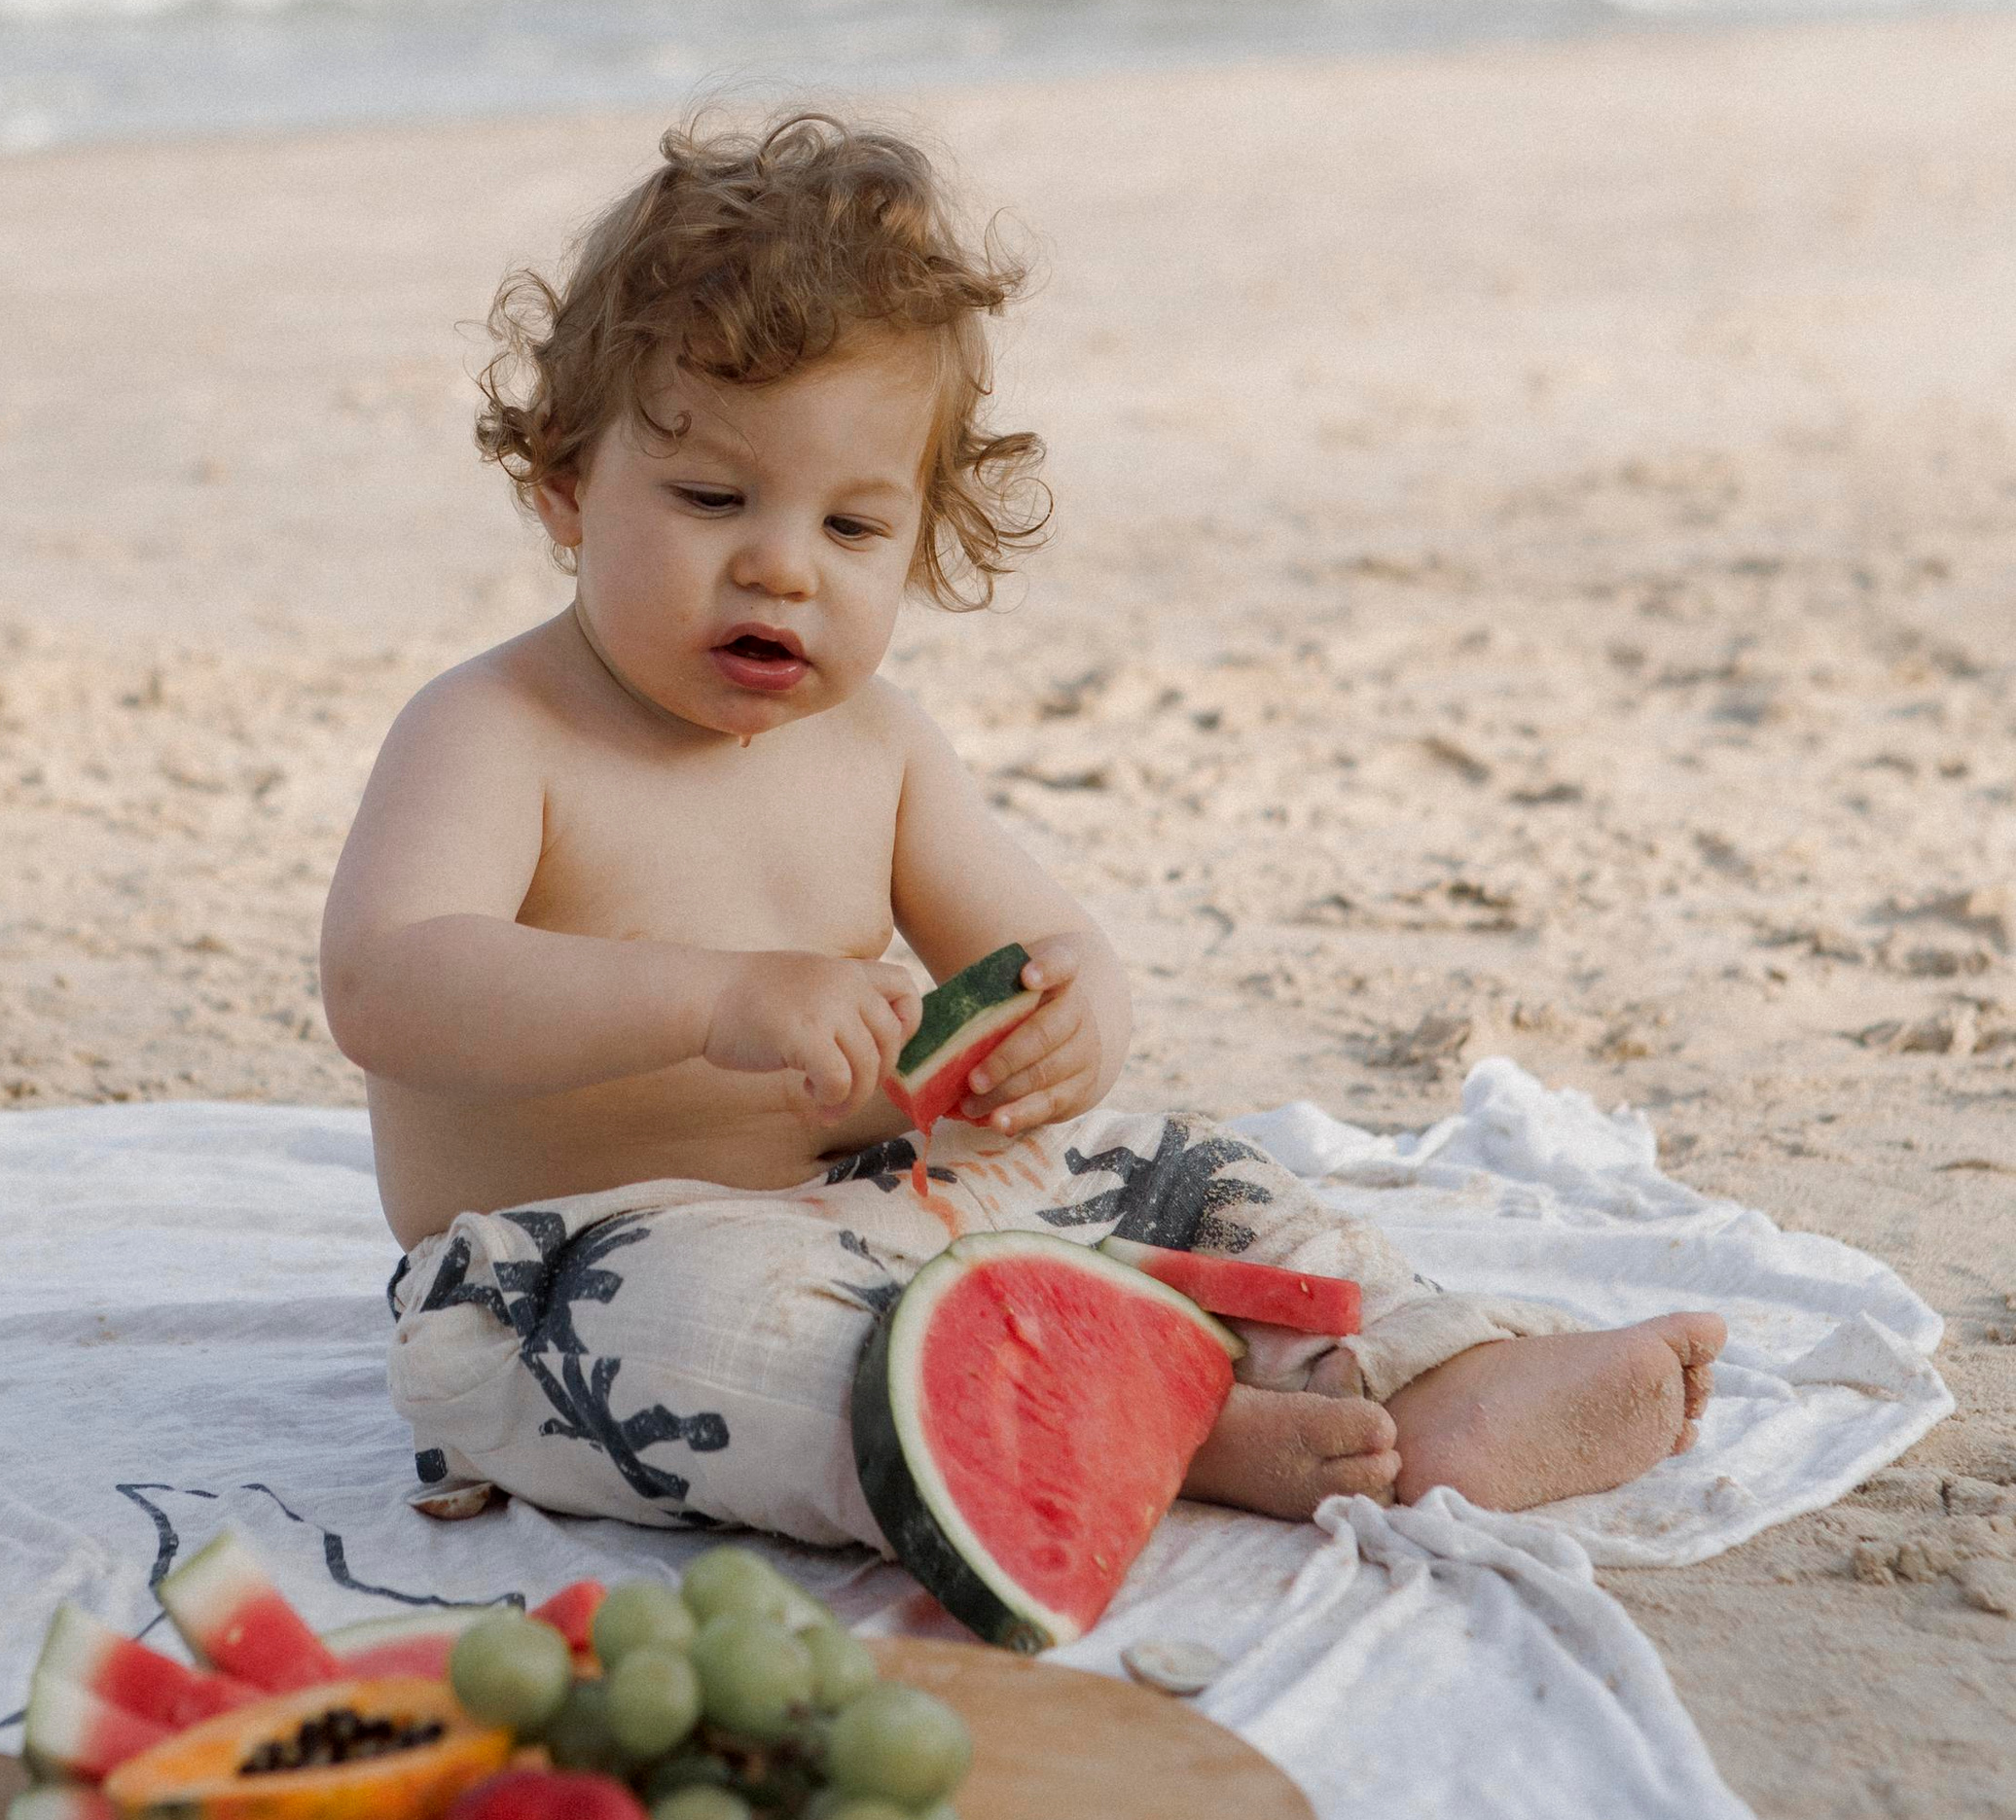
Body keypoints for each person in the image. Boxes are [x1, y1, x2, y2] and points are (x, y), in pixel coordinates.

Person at [320, 112, 1722, 1568]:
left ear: (922, 535)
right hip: (569, 1264)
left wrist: (1071, 1024)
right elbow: (386, 983)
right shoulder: (495, 730)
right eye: (712, 499)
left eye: (854, 528)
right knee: (699, 1339)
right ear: (563, 484)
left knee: (1181, 1166)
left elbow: (1048, 954)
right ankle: (1144, 1423)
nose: (782, 566)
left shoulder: (878, 747)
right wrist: (714, 996)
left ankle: (1427, 1375)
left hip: (892, 1203)